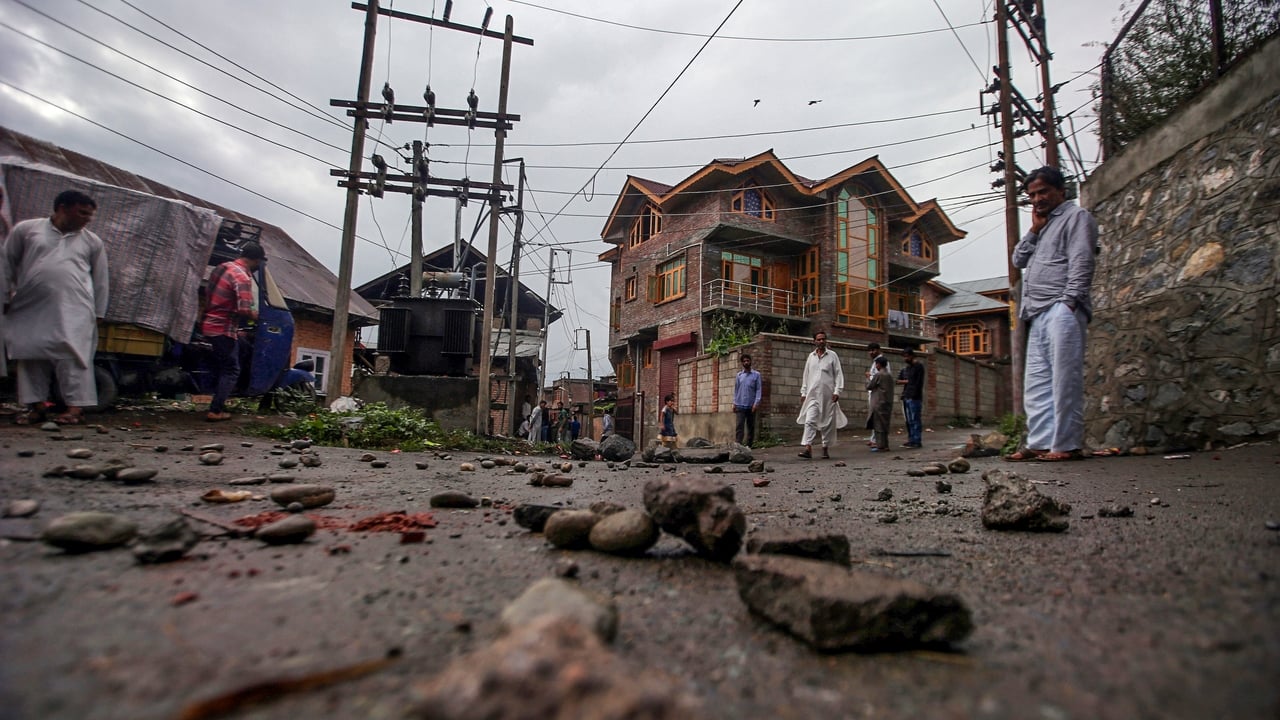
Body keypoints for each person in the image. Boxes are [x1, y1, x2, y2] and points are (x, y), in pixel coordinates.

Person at [1009, 165, 1098, 462]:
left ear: (1061, 190)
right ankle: (1040, 442)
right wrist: (1034, 230)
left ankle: (1066, 445)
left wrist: (1069, 302)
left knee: (1064, 380)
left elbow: (1082, 261)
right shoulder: (1041, 226)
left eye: (1043, 192)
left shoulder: (1077, 218)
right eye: (1032, 194)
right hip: (1037, 312)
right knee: (1037, 383)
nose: (1037, 199)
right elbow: (1018, 258)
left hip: (1062, 308)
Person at [5, 190, 110, 425]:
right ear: (62, 208)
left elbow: (101, 279)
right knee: (30, 355)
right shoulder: (27, 230)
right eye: (83, 212)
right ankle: (36, 407)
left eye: (90, 215)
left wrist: (99, 312)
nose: (87, 219)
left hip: (75, 308)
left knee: (73, 357)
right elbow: (7, 263)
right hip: (29, 305)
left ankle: (75, 409)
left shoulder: (91, 241)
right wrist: (4, 297)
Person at [199, 241, 264, 421]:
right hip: (222, 328)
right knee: (232, 369)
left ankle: (223, 397)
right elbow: (244, 309)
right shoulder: (243, 277)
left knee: (241, 347)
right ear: (256, 260)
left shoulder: (222, 267)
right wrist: (257, 316)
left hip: (208, 323)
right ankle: (216, 410)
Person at [796, 330, 846, 459]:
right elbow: (806, 376)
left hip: (828, 395)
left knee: (827, 422)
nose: (821, 341)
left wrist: (837, 391)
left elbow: (838, 374)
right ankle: (808, 448)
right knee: (809, 420)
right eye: (819, 339)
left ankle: (825, 448)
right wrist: (803, 392)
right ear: (814, 341)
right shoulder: (811, 357)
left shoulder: (832, 356)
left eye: (823, 339)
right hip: (812, 395)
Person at [732, 352, 763, 447]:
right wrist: (734, 403)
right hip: (740, 404)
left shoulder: (756, 375)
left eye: (747, 360)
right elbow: (736, 390)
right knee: (739, 426)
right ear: (742, 363)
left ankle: (749, 445)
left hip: (751, 405)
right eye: (744, 361)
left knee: (750, 426)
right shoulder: (739, 375)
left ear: (750, 362)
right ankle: (738, 445)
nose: (746, 362)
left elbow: (758, 389)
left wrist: (756, 403)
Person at [896, 348, 925, 448]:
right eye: (904, 356)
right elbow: (898, 380)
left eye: (907, 356)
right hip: (906, 396)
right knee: (909, 420)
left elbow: (915, 382)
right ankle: (911, 439)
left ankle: (917, 440)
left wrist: (907, 381)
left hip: (915, 397)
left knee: (915, 419)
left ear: (912, 356)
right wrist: (906, 381)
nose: (905, 358)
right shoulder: (906, 369)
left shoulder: (918, 367)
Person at [866, 355, 894, 452]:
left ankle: (880, 445)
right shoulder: (889, 375)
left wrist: (868, 377)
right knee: (885, 424)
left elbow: (870, 386)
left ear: (878, 364)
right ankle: (885, 445)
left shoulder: (879, 375)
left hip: (878, 402)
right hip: (887, 402)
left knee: (878, 425)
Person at [865, 342, 890, 447]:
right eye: (870, 350)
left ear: (878, 350)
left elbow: (877, 380)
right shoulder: (875, 362)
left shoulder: (882, 363)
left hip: (878, 395)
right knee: (874, 418)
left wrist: (869, 377)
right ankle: (874, 438)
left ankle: (877, 441)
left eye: (873, 350)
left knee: (878, 418)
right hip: (875, 394)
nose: (871, 352)